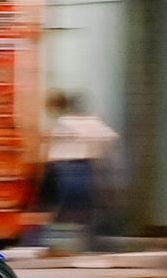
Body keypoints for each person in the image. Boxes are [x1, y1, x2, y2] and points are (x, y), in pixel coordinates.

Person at [43, 92, 120, 253]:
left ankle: (57, 246)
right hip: (85, 167)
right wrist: (94, 151)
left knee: (63, 210)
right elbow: (110, 136)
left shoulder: (63, 121)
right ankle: (87, 244)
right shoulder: (90, 121)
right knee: (85, 209)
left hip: (65, 169)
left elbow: (51, 149)